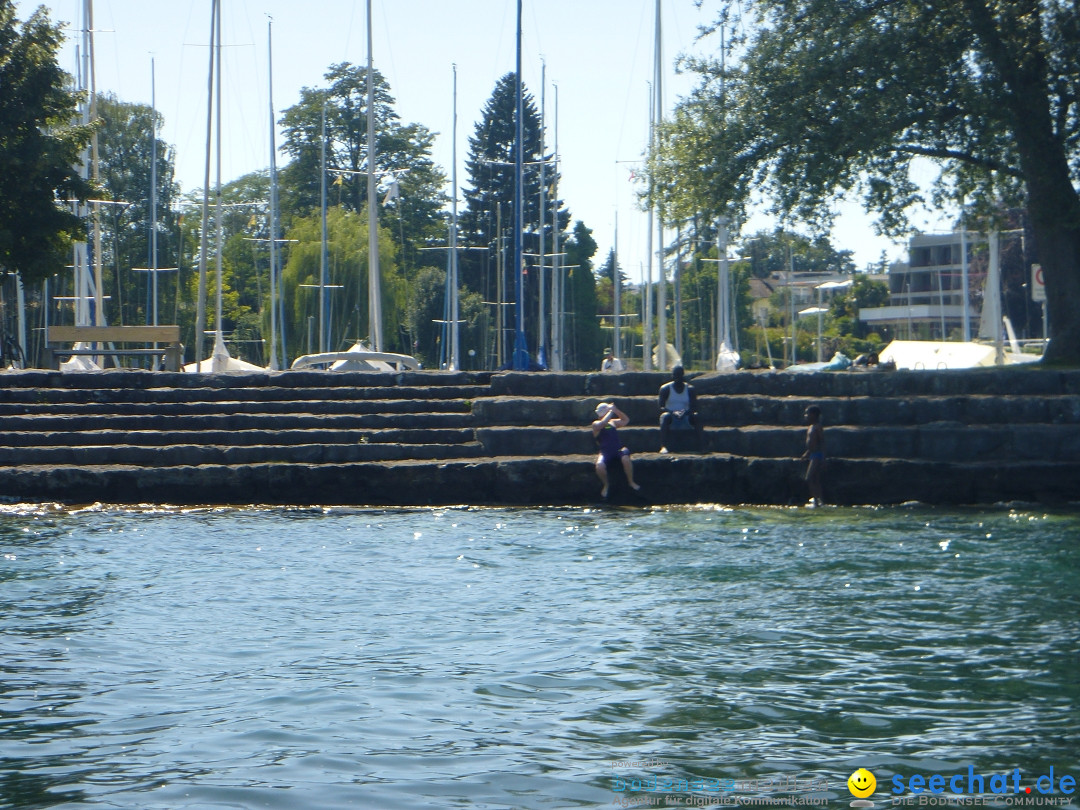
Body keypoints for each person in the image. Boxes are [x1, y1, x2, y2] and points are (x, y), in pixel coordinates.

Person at [591, 402, 640, 499]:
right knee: (599, 466)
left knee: (625, 459)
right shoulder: (596, 424)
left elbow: (626, 420)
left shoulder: (612, 422)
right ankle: (606, 484)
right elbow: (601, 425)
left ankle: (631, 481)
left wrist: (616, 410)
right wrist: (610, 412)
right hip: (605, 452)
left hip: (617, 449)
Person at [658, 365, 703, 453]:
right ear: (672, 376)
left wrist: (685, 412)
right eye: (675, 375)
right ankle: (663, 446)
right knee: (665, 417)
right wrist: (673, 412)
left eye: (679, 375)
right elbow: (661, 407)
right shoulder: (665, 389)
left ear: (683, 375)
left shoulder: (690, 389)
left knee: (697, 417)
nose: (677, 377)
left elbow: (694, 407)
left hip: (686, 417)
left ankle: (701, 446)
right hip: (671, 417)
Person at [801, 404, 825, 507]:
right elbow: (811, 443)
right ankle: (819, 500)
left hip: (817, 455)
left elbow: (822, 442)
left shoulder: (818, 427)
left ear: (814, 415)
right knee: (815, 478)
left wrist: (823, 457)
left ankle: (816, 500)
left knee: (809, 478)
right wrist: (807, 453)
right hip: (812, 455)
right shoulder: (810, 427)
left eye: (808, 414)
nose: (805, 416)